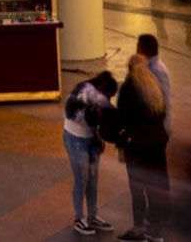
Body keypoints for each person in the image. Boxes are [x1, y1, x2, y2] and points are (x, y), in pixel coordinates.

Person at [115, 53, 171, 242]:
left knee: (138, 187)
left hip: (137, 146)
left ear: (130, 69)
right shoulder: (155, 85)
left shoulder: (129, 87)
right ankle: (156, 230)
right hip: (157, 145)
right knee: (156, 185)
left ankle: (138, 228)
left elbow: (121, 118)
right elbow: (162, 114)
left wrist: (121, 142)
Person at [64, 70, 119, 235]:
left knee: (93, 180)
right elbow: (109, 110)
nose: (108, 98)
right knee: (82, 180)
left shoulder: (95, 94)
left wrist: (97, 136)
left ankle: (93, 215)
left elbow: (98, 116)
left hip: (89, 139)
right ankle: (79, 219)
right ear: (103, 89)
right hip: (76, 140)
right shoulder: (88, 91)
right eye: (109, 95)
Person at [136, 33, 172, 129]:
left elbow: (163, 102)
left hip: (156, 127)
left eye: (138, 47)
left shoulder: (157, 71)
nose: (136, 52)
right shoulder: (148, 67)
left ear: (144, 50)